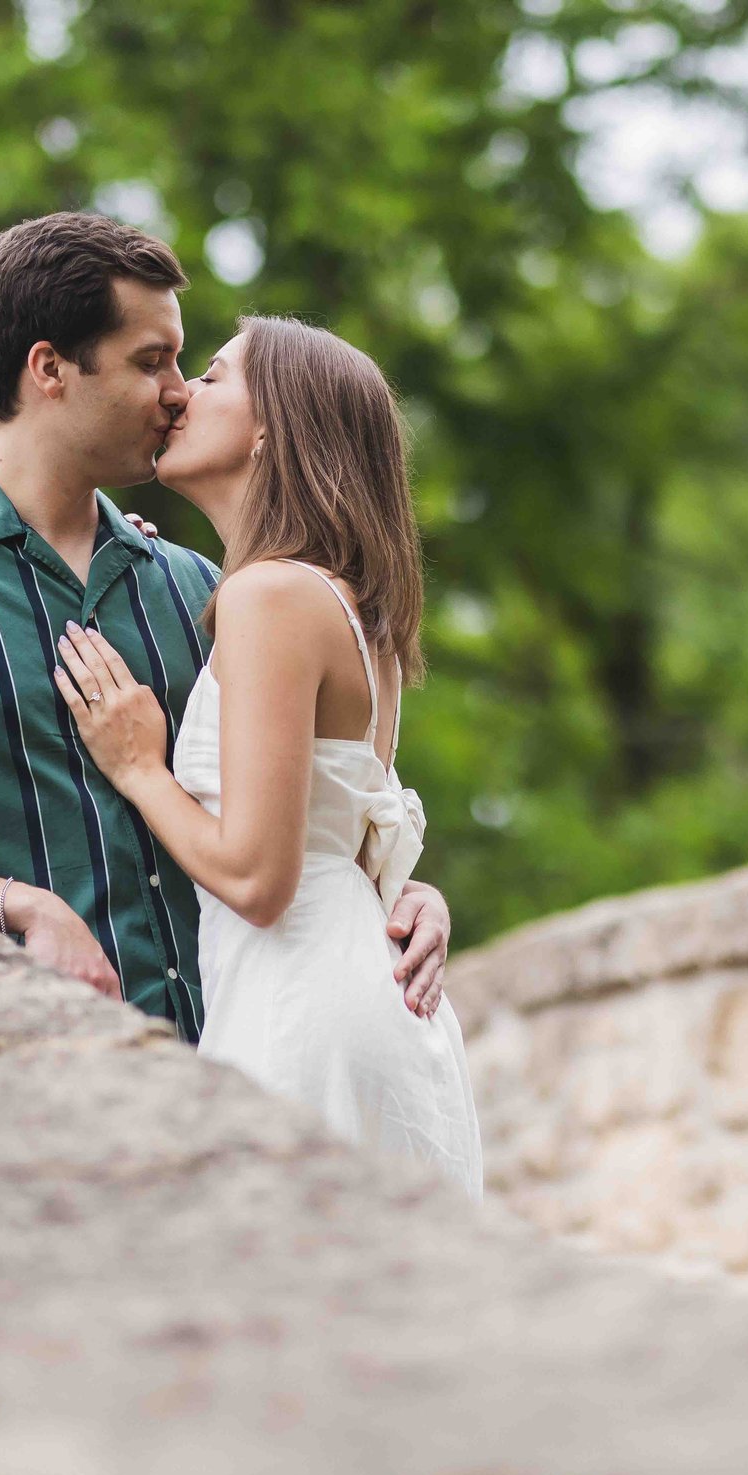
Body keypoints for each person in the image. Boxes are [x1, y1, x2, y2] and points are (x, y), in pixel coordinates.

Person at [0, 213, 454, 1043]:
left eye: (183, 361)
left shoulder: (198, 585)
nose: (177, 391)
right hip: (24, 1055)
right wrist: (22, 907)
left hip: (230, 1052)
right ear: (50, 369)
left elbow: (299, 808)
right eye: (150, 361)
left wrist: (400, 893)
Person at [54, 318, 482, 1200]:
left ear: (269, 428)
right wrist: (407, 891)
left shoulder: (270, 596)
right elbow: (345, 821)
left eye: (211, 377)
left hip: (302, 999)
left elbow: (258, 879)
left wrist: (140, 767)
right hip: (357, 986)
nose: (181, 394)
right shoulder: (338, 603)